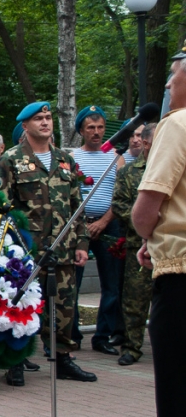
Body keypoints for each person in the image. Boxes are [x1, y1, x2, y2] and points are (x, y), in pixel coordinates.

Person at [0, 101, 97, 386]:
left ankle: (62, 358)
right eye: (38, 118)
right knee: (21, 306)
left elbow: (78, 205)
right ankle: (14, 361)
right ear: (25, 126)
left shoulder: (65, 159)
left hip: (62, 247)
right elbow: (1, 208)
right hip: (26, 251)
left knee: (64, 308)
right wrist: (9, 249)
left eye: (48, 117)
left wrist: (82, 243)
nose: (45, 122)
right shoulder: (11, 160)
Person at [134, 48, 186, 417]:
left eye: (173, 78)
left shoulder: (177, 124)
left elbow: (149, 202)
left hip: (181, 278)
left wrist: (144, 234)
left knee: (179, 404)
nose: (168, 89)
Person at [72, 105, 125, 355]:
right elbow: (69, 195)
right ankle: (71, 335)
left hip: (109, 224)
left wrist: (104, 221)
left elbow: (122, 195)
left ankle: (102, 336)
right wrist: (83, 224)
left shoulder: (117, 156)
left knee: (111, 283)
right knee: (73, 282)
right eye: (90, 127)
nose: (96, 132)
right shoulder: (70, 157)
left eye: (100, 127)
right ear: (81, 130)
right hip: (79, 225)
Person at [112, 123, 153, 367]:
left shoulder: (177, 167)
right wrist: (148, 221)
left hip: (174, 247)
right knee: (135, 300)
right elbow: (119, 204)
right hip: (139, 245)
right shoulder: (128, 172)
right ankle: (131, 347)